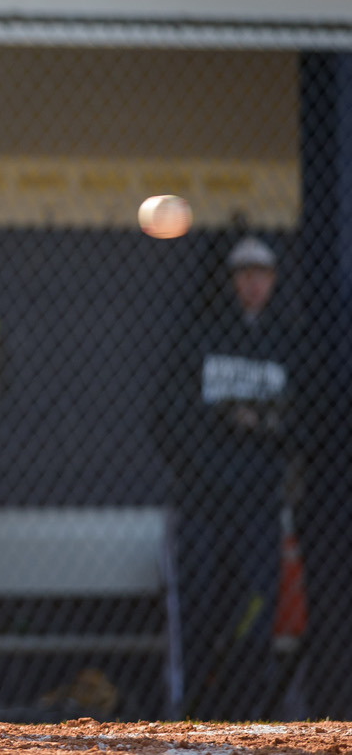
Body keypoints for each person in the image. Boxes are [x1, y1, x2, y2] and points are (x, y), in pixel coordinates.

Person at [157, 235, 300, 719]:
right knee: (201, 608)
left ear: (275, 279)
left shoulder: (287, 341)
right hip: (205, 504)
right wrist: (209, 465)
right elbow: (168, 418)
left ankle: (249, 716)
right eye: (244, 273)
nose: (254, 283)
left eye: (263, 273)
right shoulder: (201, 337)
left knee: (254, 611)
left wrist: (258, 423)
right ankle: (194, 714)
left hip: (258, 507)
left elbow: (304, 420)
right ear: (230, 279)